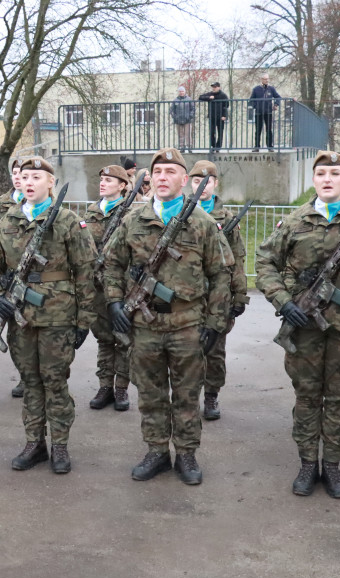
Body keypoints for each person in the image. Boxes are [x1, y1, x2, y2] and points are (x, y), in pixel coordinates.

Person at [256, 150, 340, 498]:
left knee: (339, 398)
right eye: (321, 173)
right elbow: (265, 262)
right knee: (306, 396)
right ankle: (306, 464)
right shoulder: (295, 220)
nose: (327, 179)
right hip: (304, 326)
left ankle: (331, 465)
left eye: (335, 173)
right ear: (313, 180)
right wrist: (284, 303)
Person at [106, 148, 234, 486]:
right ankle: (157, 451)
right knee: (150, 393)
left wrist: (214, 323)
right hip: (145, 325)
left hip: (187, 323)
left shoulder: (203, 223)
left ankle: (187, 454)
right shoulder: (133, 219)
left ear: (183, 179)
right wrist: (115, 303)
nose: (162, 177)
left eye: (170, 171)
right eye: (157, 172)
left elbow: (222, 274)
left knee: (188, 393)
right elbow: (111, 264)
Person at [0, 156, 97, 474]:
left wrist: (84, 320)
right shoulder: (9, 220)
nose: (30, 182)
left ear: (51, 183)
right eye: (26, 176)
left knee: (55, 382)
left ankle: (59, 445)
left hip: (58, 317)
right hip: (20, 317)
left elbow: (87, 272)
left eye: (37, 177)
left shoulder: (67, 222)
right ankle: (34, 443)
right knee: (31, 383)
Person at [188, 160, 248, 421]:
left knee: (215, 349)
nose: (201, 186)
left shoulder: (228, 219)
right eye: (195, 181)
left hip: (217, 293)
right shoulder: (180, 213)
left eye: (207, 181)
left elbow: (237, 258)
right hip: (187, 293)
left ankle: (211, 395)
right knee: (186, 349)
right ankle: (187, 395)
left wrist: (240, 295)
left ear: (215, 183)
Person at [83, 164, 131, 411]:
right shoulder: (91, 212)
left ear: (122, 186)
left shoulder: (131, 212)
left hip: (121, 285)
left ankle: (121, 387)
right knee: (103, 338)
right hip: (96, 286)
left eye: (110, 180)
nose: (103, 183)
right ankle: (105, 386)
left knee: (123, 338)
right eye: (102, 178)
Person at [0, 157, 28, 398]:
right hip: (9, 274)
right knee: (14, 324)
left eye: (22, 172)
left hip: (34, 274)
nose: (18, 177)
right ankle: (23, 375)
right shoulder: (2, 203)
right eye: (15, 172)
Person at [249, 74, 281, 151]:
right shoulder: (256, 89)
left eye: (267, 79)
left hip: (268, 112)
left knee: (269, 130)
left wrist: (276, 104)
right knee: (258, 130)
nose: (267, 80)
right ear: (262, 79)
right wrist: (256, 106)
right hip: (259, 113)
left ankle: (270, 146)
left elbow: (278, 97)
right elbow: (251, 100)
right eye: (265, 79)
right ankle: (257, 146)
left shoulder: (271, 89)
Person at [197, 82, 230, 150]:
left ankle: (218, 146)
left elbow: (226, 106)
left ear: (219, 87)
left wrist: (224, 115)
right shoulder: (210, 94)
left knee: (220, 132)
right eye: (213, 87)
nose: (214, 88)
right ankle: (213, 146)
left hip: (220, 117)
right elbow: (200, 97)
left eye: (215, 87)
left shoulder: (223, 95)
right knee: (212, 132)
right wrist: (209, 97)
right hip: (212, 116)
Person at [169, 86, 196, 153]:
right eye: (180, 91)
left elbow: (193, 108)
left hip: (187, 120)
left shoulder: (189, 99)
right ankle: (182, 147)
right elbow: (171, 110)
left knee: (188, 134)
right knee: (180, 134)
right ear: (178, 92)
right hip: (178, 120)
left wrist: (190, 116)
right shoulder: (175, 100)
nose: (181, 92)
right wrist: (175, 117)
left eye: (182, 91)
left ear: (185, 92)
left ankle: (189, 147)